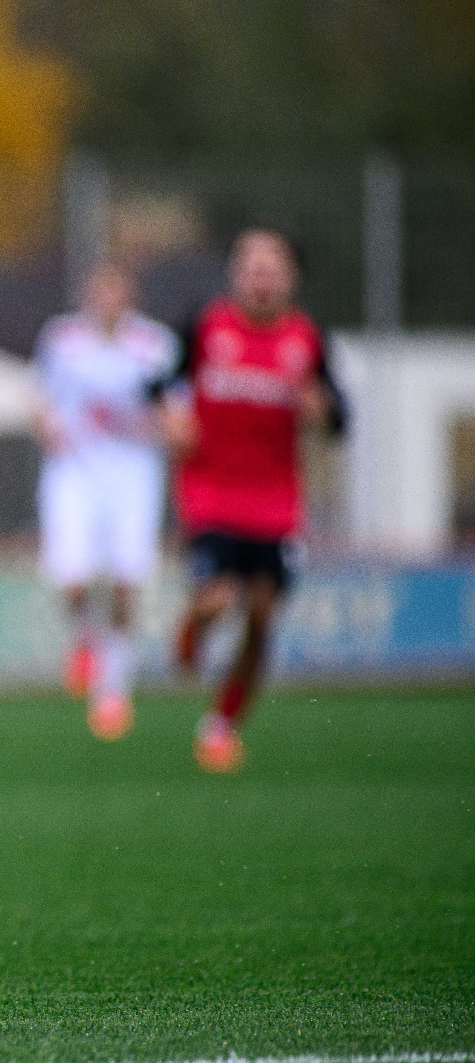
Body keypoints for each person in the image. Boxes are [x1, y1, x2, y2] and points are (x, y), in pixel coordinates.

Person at [163, 228, 346, 773]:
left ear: (291, 278)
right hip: (211, 493)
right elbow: (161, 385)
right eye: (252, 266)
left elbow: (340, 416)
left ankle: (221, 724)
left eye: (273, 267)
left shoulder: (307, 340)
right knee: (217, 599)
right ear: (236, 275)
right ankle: (193, 627)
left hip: (277, 503)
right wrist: (171, 417)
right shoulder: (204, 326)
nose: (262, 277)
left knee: (263, 616)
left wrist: (324, 411)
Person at [32, 262, 177, 742]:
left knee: (123, 585)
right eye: (99, 290)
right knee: (72, 580)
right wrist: (45, 427)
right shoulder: (62, 339)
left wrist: (161, 426)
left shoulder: (155, 346)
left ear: (129, 295)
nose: (107, 299)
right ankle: (84, 638)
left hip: (133, 475)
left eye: (116, 290)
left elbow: (175, 408)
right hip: (74, 471)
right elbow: (39, 400)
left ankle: (112, 690)